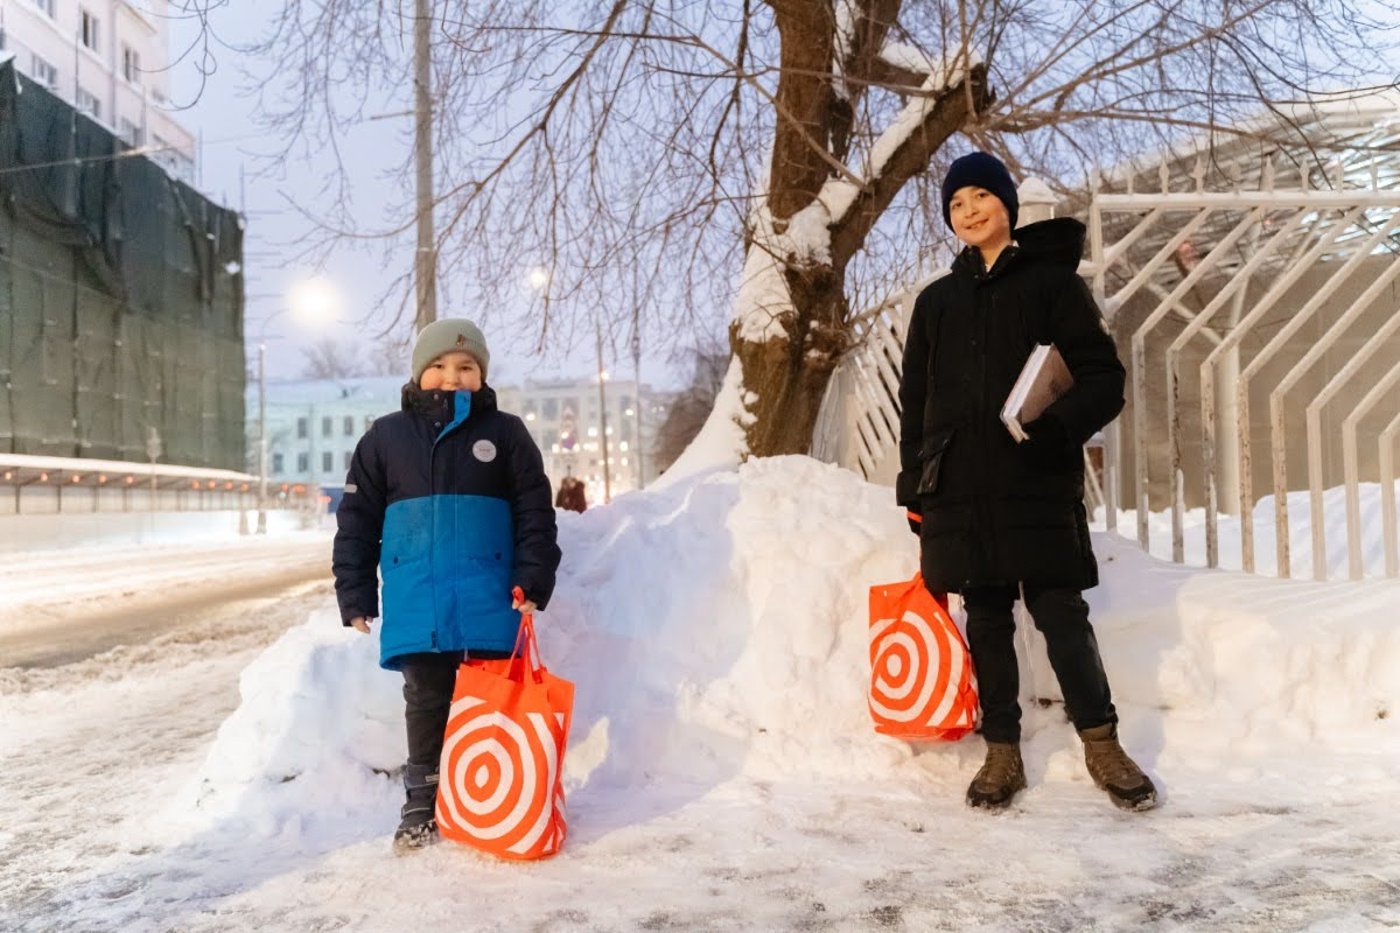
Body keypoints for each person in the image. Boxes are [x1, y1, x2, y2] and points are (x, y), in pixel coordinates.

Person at [897, 152, 1156, 812]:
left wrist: (1056, 430)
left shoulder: (1051, 286)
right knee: (986, 619)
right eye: (956, 203)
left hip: (1035, 479)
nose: (969, 211)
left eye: (981, 196)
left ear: (1007, 204)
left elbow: (1103, 377)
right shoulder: (936, 303)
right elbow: (916, 403)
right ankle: (1002, 750)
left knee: (1060, 613)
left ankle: (1102, 743)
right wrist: (915, 491)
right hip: (958, 488)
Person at [333, 318, 562, 852]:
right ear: (419, 373)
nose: (451, 376)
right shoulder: (385, 437)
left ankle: (489, 795)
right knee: (427, 696)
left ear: (482, 375)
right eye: (438, 366)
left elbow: (534, 511)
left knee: (487, 696)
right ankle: (421, 797)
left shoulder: (506, 434)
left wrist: (532, 577)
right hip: (419, 593)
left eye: (466, 367)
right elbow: (358, 521)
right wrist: (356, 593)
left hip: (488, 594)